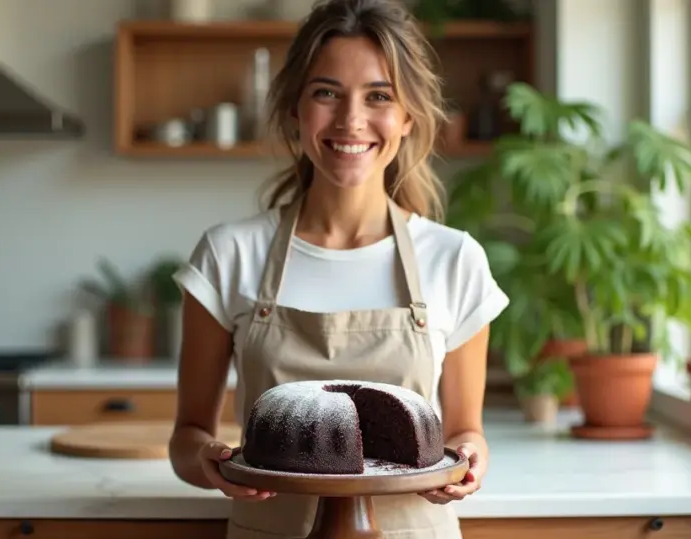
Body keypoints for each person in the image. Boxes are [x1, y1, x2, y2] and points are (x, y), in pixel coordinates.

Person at [169, 0, 509, 536]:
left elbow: (468, 432)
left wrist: (469, 459)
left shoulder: (454, 259)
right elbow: (187, 438)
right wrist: (211, 461)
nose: (351, 120)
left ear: (407, 117)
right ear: (294, 110)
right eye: (326, 93)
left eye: (379, 96)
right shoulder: (228, 255)